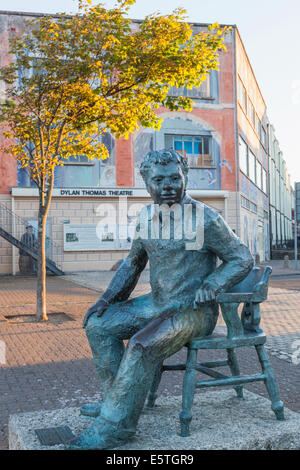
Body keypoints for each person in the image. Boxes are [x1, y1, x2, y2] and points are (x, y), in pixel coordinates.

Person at [67, 149, 253, 450]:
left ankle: (116, 428)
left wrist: (213, 283)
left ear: (185, 178)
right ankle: (113, 401)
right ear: (146, 183)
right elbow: (132, 264)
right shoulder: (146, 218)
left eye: (174, 178)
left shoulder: (205, 218)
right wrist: (107, 299)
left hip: (192, 311)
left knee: (141, 346)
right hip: (156, 303)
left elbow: (241, 257)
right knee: (99, 325)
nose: (167, 185)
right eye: (158, 180)